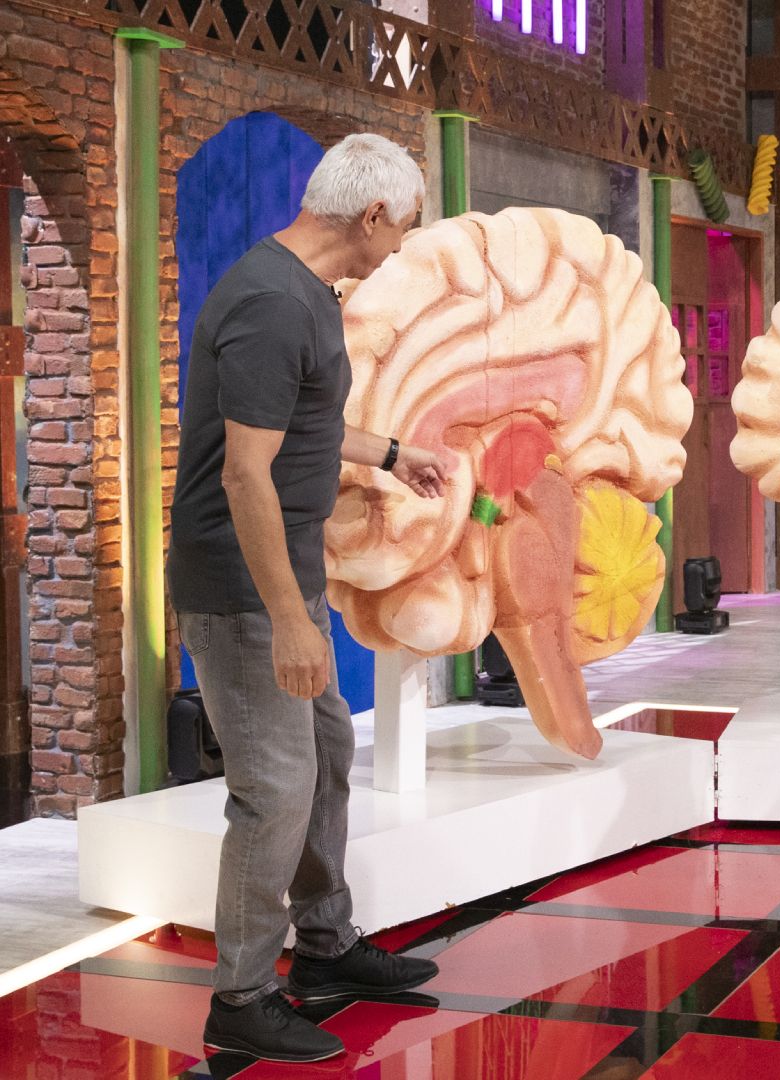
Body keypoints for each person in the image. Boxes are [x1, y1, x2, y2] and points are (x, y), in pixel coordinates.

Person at [170, 133, 451, 1063]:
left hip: (282, 576)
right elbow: (245, 475)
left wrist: (394, 455)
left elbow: (305, 428)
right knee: (275, 789)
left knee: (327, 749)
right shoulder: (270, 302)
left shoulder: (309, 296)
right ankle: (242, 996)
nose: (403, 245)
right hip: (243, 587)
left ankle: (325, 944)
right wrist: (291, 621)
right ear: (371, 216)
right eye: (404, 227)